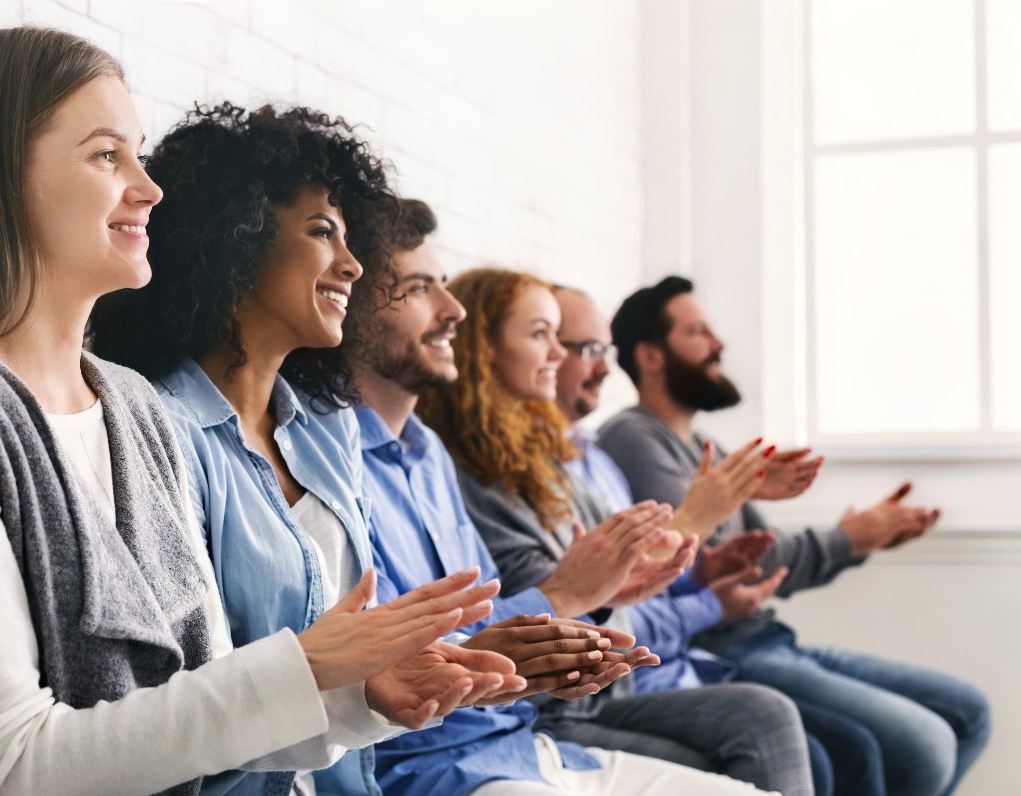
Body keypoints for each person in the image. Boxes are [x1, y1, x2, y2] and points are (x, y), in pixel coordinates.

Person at [0, 30, 504, 796]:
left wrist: (355, 698)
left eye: (139, 156)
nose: (148, 188)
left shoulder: (132, 407)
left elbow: (191, 713)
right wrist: (306, 667)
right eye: (107, 155)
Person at [90, 105, 529, 796]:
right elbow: (176, 703)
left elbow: (350, 668)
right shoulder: (160, 431)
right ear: (236, 240)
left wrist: (400, 682)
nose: (353, 266)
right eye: (323, 232)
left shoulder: (327, 427)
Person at [360, 202, 786, 795]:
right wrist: (592, 588)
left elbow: (499, 616)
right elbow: (408, 665)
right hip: (473, 748)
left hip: (518, 734)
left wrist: (619, 587)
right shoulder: (450, 466)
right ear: (487, 350)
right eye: (548, 337)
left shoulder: (432, 452)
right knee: (772, 719)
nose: (567, 358)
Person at [597, 275, 992, 796]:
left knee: (968, 710)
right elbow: (715, 563)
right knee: (923, 746)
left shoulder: (705, 446)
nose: (719, 344)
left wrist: (861, 540)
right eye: (698, 332)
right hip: (723, 646)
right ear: (650, 355)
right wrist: (850, 537)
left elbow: (766, 558)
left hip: (769, 634)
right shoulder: (633, 437)